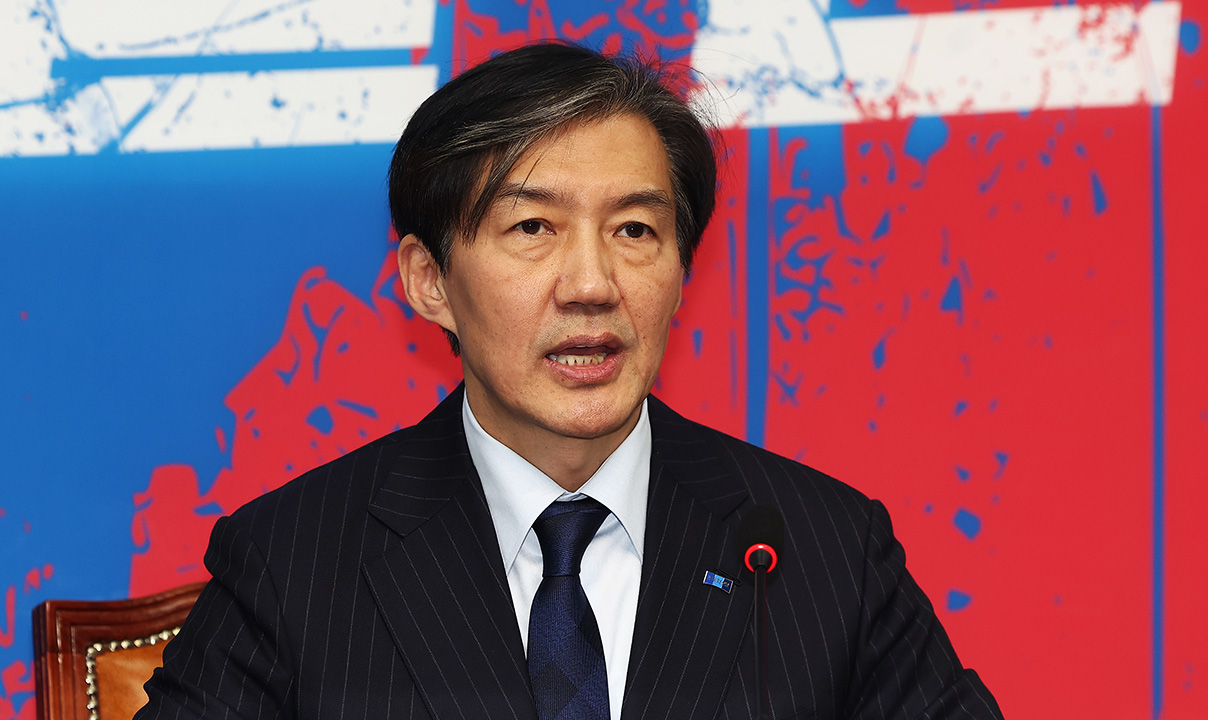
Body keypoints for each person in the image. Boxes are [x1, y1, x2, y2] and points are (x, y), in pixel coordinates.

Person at [137, 42, 1003, 720]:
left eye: (634, 231)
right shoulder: (293, 564)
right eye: (532, 227)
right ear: (429, 281)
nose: (592, 284)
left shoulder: (821, 552)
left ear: (681, 271)